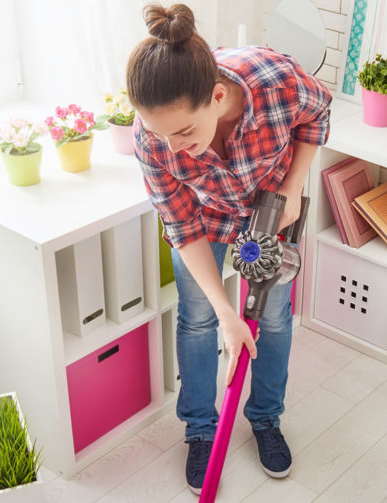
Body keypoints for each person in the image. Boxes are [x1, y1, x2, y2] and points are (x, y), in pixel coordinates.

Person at [125, 2, 332, 494]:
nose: (172, 149)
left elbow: (317, 112)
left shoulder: (275, 81)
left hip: (268, 212)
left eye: (183, 132)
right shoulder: (153, 141)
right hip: (204, 221)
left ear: (218, 97)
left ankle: (264, 418)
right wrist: (226, 311)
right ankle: (201, 430)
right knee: (198, 317)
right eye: (158, 134)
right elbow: (179, 225)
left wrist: (294, 186)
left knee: (274, 319)